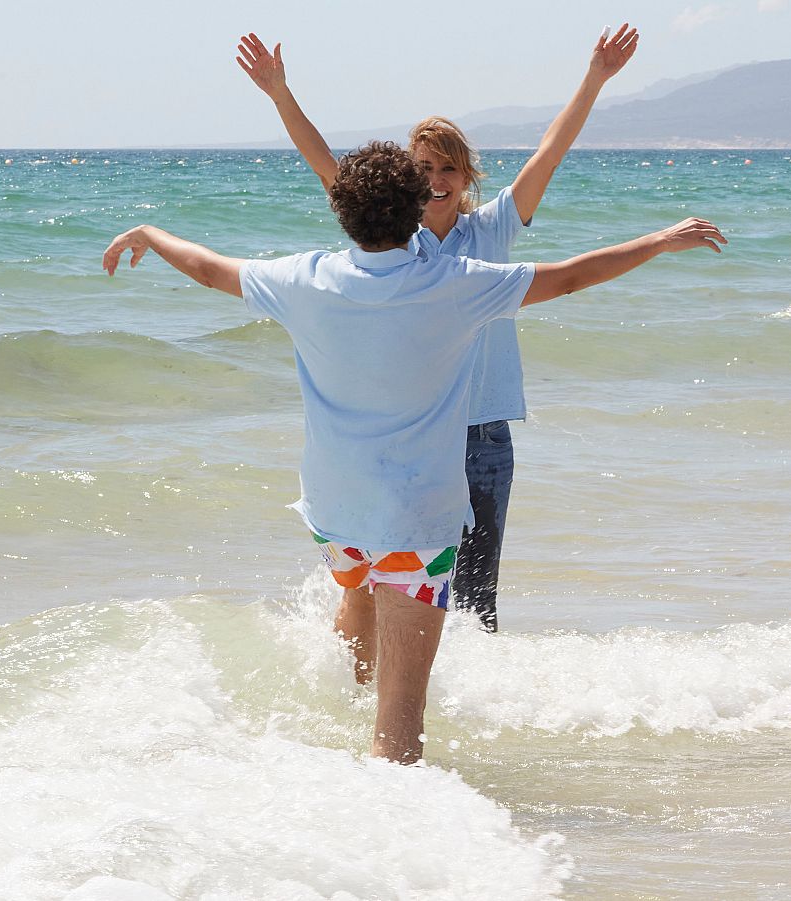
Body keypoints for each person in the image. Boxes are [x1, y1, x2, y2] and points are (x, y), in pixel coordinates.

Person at [103, 141, 726, 763]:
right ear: (417, 207)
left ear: (342, 213)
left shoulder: (301, 278)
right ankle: (389, 834)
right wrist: (659, 241)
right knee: (398, 733)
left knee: (357, 603)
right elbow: (569, 277)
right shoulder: (454, 284)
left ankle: (334, 741)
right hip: (416, 522)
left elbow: (212, 269)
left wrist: (153, 233)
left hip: (334, 513)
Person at [236, 26, 639, 633]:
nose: (436, 179)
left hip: (481, 435)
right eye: (423, 167)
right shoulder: (394, 239)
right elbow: (327, 165)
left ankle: (468, 706)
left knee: (478, 594)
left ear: (466, 175)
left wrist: (595, 79)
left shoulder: (493, 230)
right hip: (413, 441)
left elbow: (547, 156)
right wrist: (278, 93)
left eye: (448, 168)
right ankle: (381, 688)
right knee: (394, 591)